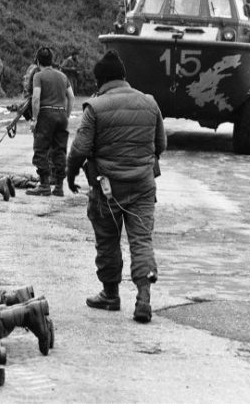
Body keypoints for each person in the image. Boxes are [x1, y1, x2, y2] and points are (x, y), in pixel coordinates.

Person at [66, 50, 167, 324]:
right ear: (124, 77)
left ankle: (111, 295)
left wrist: (71, 173)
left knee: (108, 241)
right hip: (143, 187)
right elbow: (161, 145)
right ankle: (144, 296)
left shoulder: (95, 107)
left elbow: (80, 149)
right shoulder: (149, 102)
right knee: (141, 240)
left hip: (107, 188)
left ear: (100, 82)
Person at [26, 47, 75, 197]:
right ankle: (59, 187)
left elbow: (35, 98)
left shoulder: (38, 76)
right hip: (61, 114)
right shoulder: (62, 76)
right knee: (59, 151)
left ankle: (44, 185)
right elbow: (71, 97)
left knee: (41, 149)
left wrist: (34, 119)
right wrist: (66, 115)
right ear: (52, 60)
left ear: (38, 61)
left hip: (46, 114)